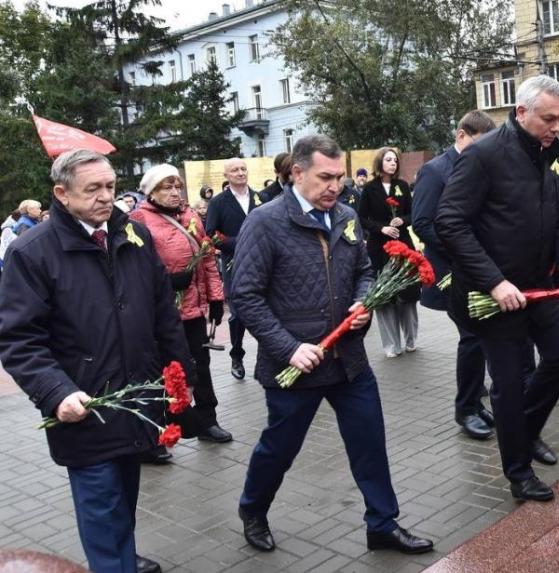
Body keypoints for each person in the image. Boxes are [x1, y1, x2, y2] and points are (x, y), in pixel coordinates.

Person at [231, 135, 433, 555]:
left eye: (339, 177)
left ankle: (382, 524)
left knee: (369, 443)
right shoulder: (265, 222)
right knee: (279, 448)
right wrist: (288, 348)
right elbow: (246, 296)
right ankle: (253, 509)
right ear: (297, 173)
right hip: (298, 365)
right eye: (325, 177)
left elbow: (362, 268)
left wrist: (364, 299)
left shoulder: (345, 215)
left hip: (349, 362)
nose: (335, 186)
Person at [0, 149, 195, 573]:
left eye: (109, 186)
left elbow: (164, 314)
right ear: (62, 193)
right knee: (103, 518)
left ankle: (123, 559)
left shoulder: (134, 238)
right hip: (84, 411)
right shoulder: (32, 252)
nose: (107, 197)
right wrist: (57, 393)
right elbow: (19, 339)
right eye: (93, 189)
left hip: (137, 403)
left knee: (123, 505)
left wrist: (183, 378)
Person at [435, 75, 559, 502]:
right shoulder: (484, 155)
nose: (556, 127)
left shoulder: (554, 155)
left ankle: (522, 429)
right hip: (492, 295)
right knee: (508, 384)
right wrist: (494, 281)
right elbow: (450, 222)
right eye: (548, 118)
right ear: (521, 112)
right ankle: (518, 473)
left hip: (539, 286)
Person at [412, 110, 498, 440]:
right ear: (461, 135)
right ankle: (466, 409)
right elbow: (422, 222)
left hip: (479, 265)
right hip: (451, 269)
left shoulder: (480, 166)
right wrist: (462, 249)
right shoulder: (435, 171)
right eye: (478, 143)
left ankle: (476, 401)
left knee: (482, 335)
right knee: (472, 335)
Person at [131, 164, 231, 444]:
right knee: (165, 370)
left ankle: (207, 421)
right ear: (151, 191)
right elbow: (135, 268)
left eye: (178, 186)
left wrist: (215, 299)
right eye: (167, 187)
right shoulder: (139, 220)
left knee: (200, 365)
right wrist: (167, 281)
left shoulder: (190, 216)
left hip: (194, 310)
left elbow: (208, 259)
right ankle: (159, 431)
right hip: (161, 314)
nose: (176, 193)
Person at [205, 157, 262, 379]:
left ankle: (269, 357)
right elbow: (210, 235)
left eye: (243, 169)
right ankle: (236, 355)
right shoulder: (218, 202)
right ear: (226, 176)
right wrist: (240, 243)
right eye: (235, 170)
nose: (240, 173)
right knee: (238, 313)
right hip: (234, 264)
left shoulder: (260, 197)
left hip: (263, 263)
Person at [359, 148, 418, 358]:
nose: (393, 163)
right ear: (380, 163)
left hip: (402, 246)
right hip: (379, 248)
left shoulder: (402, 186)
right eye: (388, 159)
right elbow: (362, 218)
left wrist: (402, 220)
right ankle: (392, 345)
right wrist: (381, 228)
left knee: (407, 294)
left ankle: (411, 339)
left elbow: (412, 214)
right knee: (385, 296)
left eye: (395, 160)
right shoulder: (369, 188)